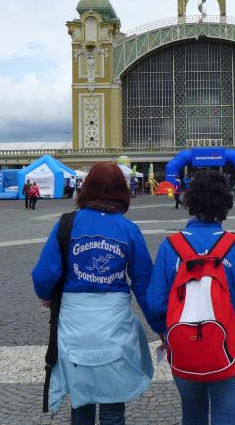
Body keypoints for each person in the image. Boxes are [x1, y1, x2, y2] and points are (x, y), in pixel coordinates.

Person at [31, 162, 159, 425]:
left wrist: (47, 296)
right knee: (113, 406)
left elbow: (44, 274)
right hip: (114, 325)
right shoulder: (128, 230)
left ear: (86, 188)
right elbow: (145, 283)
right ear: (121, 190)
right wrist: (161, 326)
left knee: (82, 400)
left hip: (75, 324)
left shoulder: (66, 224)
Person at [147, 170, 235, 425]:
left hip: (184, 346)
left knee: (193, 416)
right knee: (227, 419)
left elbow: (155, 303)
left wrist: (164, 332)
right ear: (226, 204)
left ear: (190, 202)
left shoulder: (171, 246)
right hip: (229, 345)